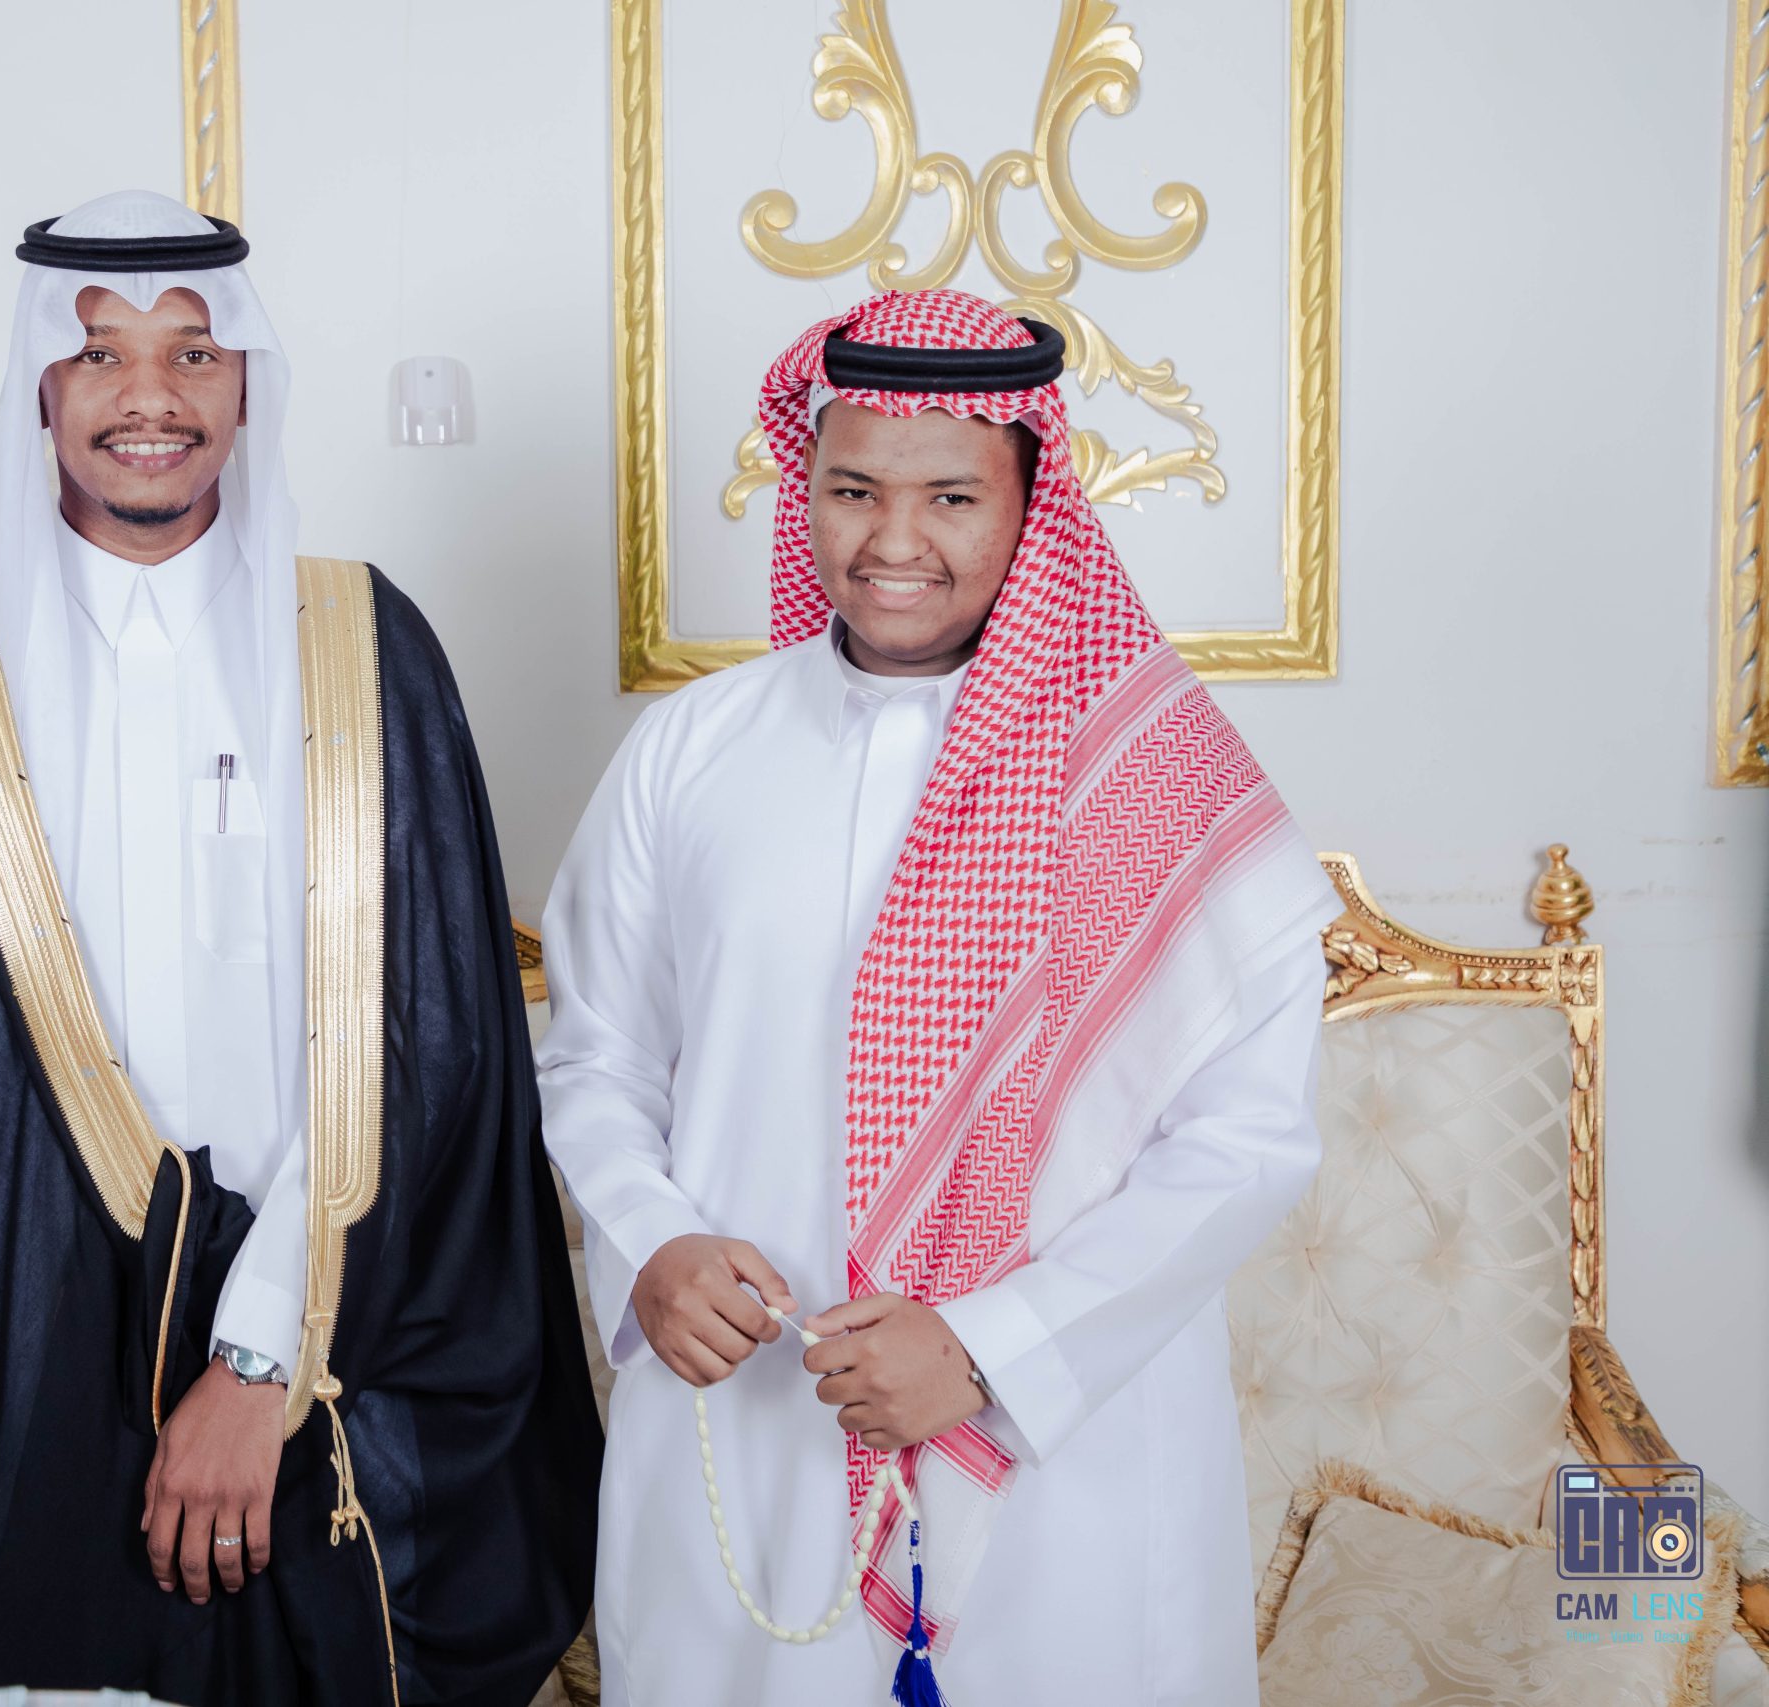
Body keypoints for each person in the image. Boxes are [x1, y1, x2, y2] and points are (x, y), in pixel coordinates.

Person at [0, 190, 601, 1707]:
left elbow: (435, 1050)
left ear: (246, 383)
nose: (150, 398)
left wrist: (256, 1363)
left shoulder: (365, 648)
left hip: (315, 1350)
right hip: (2, 1362)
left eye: (193, 352)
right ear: (40, 388)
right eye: (101, 354)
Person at [538, 289, 1329, 1705]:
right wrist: (652, 1246)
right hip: (755, 1409)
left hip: (1072, 1454)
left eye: (951, 497)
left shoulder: (1158, 778)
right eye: (853, 490)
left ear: (1034, 504)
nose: (893, 542)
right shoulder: (693, 749)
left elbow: (1244, 1141)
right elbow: (596, 1057)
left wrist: (987, 1352)